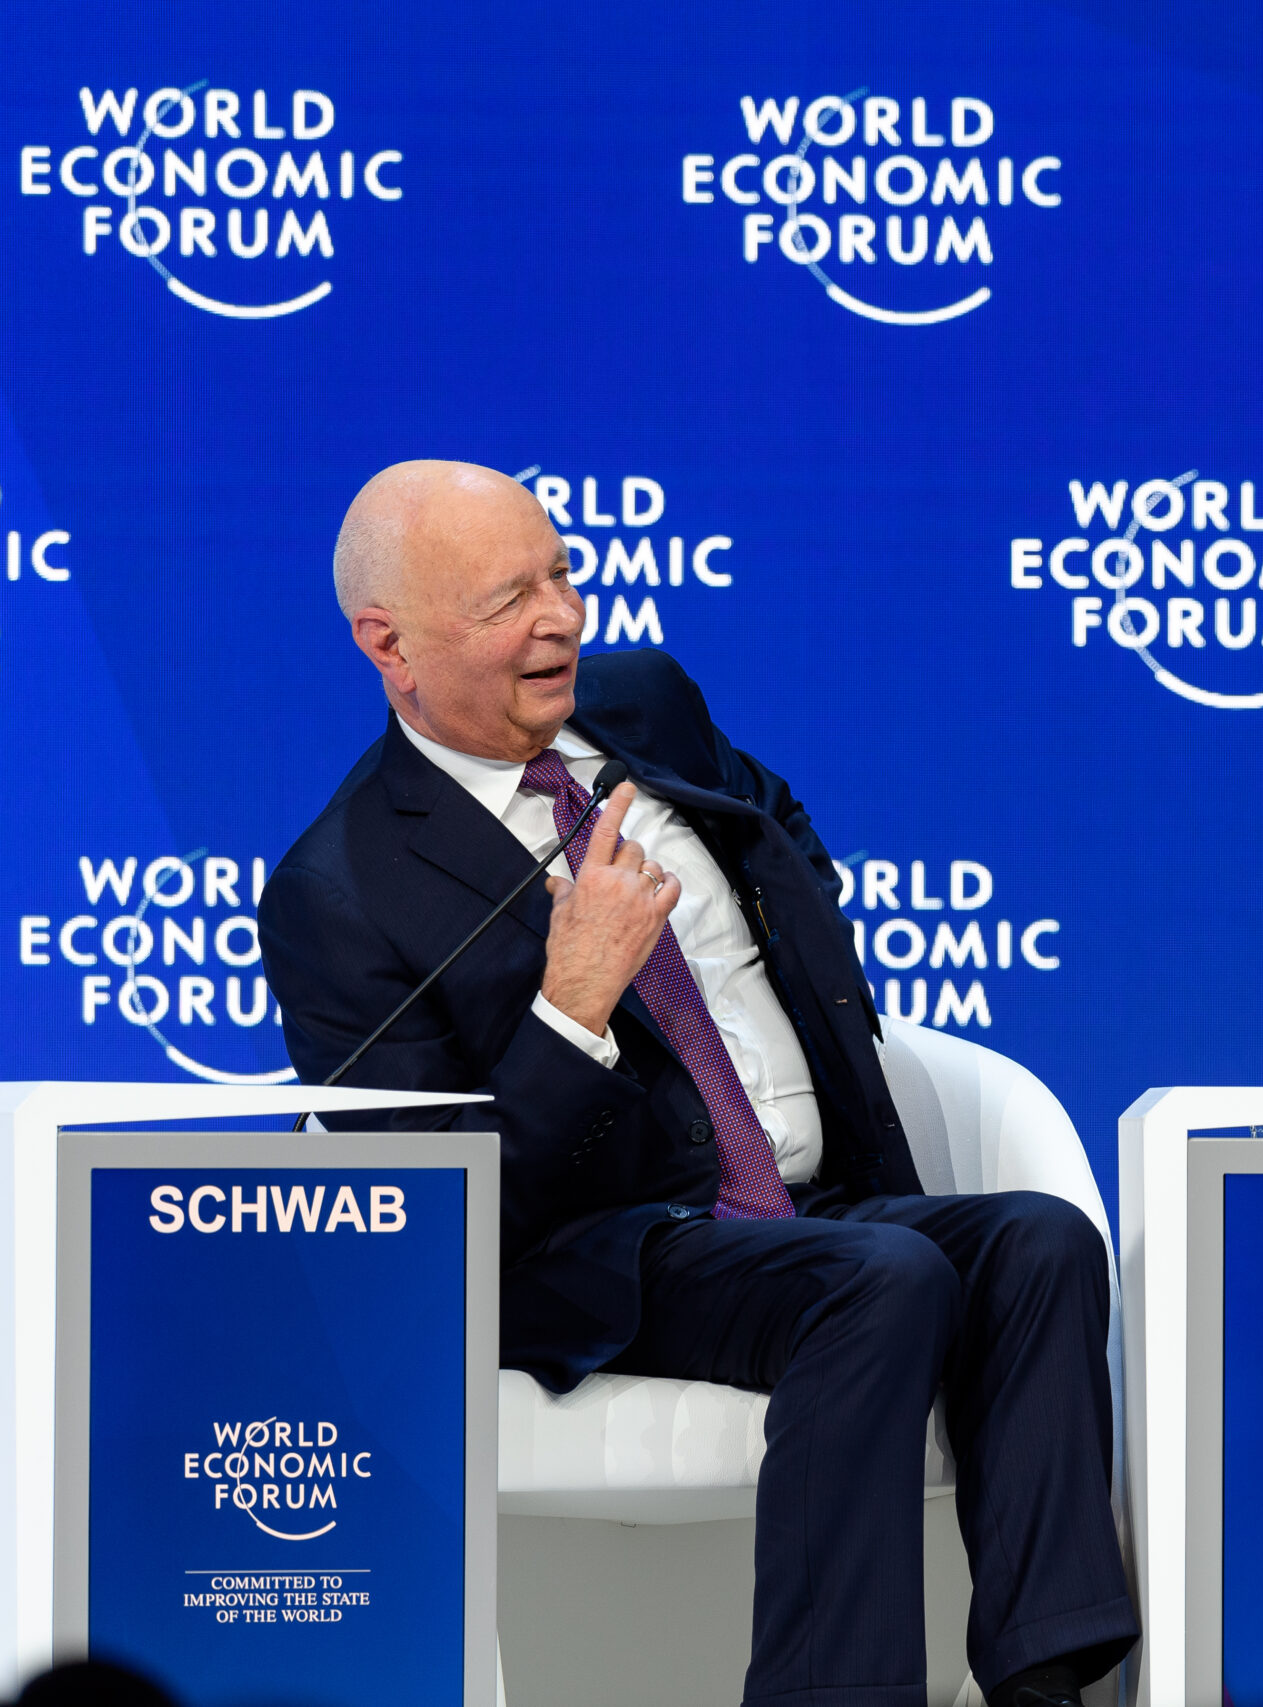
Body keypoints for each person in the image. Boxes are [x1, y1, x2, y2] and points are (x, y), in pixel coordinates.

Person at [260, 461, 1136, 1707]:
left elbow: (771, 815)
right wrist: (573, 1004)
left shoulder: (646, 704)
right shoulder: (340, 892)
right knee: (878, 1281)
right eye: (510, 597)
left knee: (1037, 1243)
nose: (561, 615)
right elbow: (426, 1221)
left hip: (813, 1203)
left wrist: (808, 954)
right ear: (388, 643)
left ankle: (1049, 1688)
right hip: (599, 1253)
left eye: (561, 574)